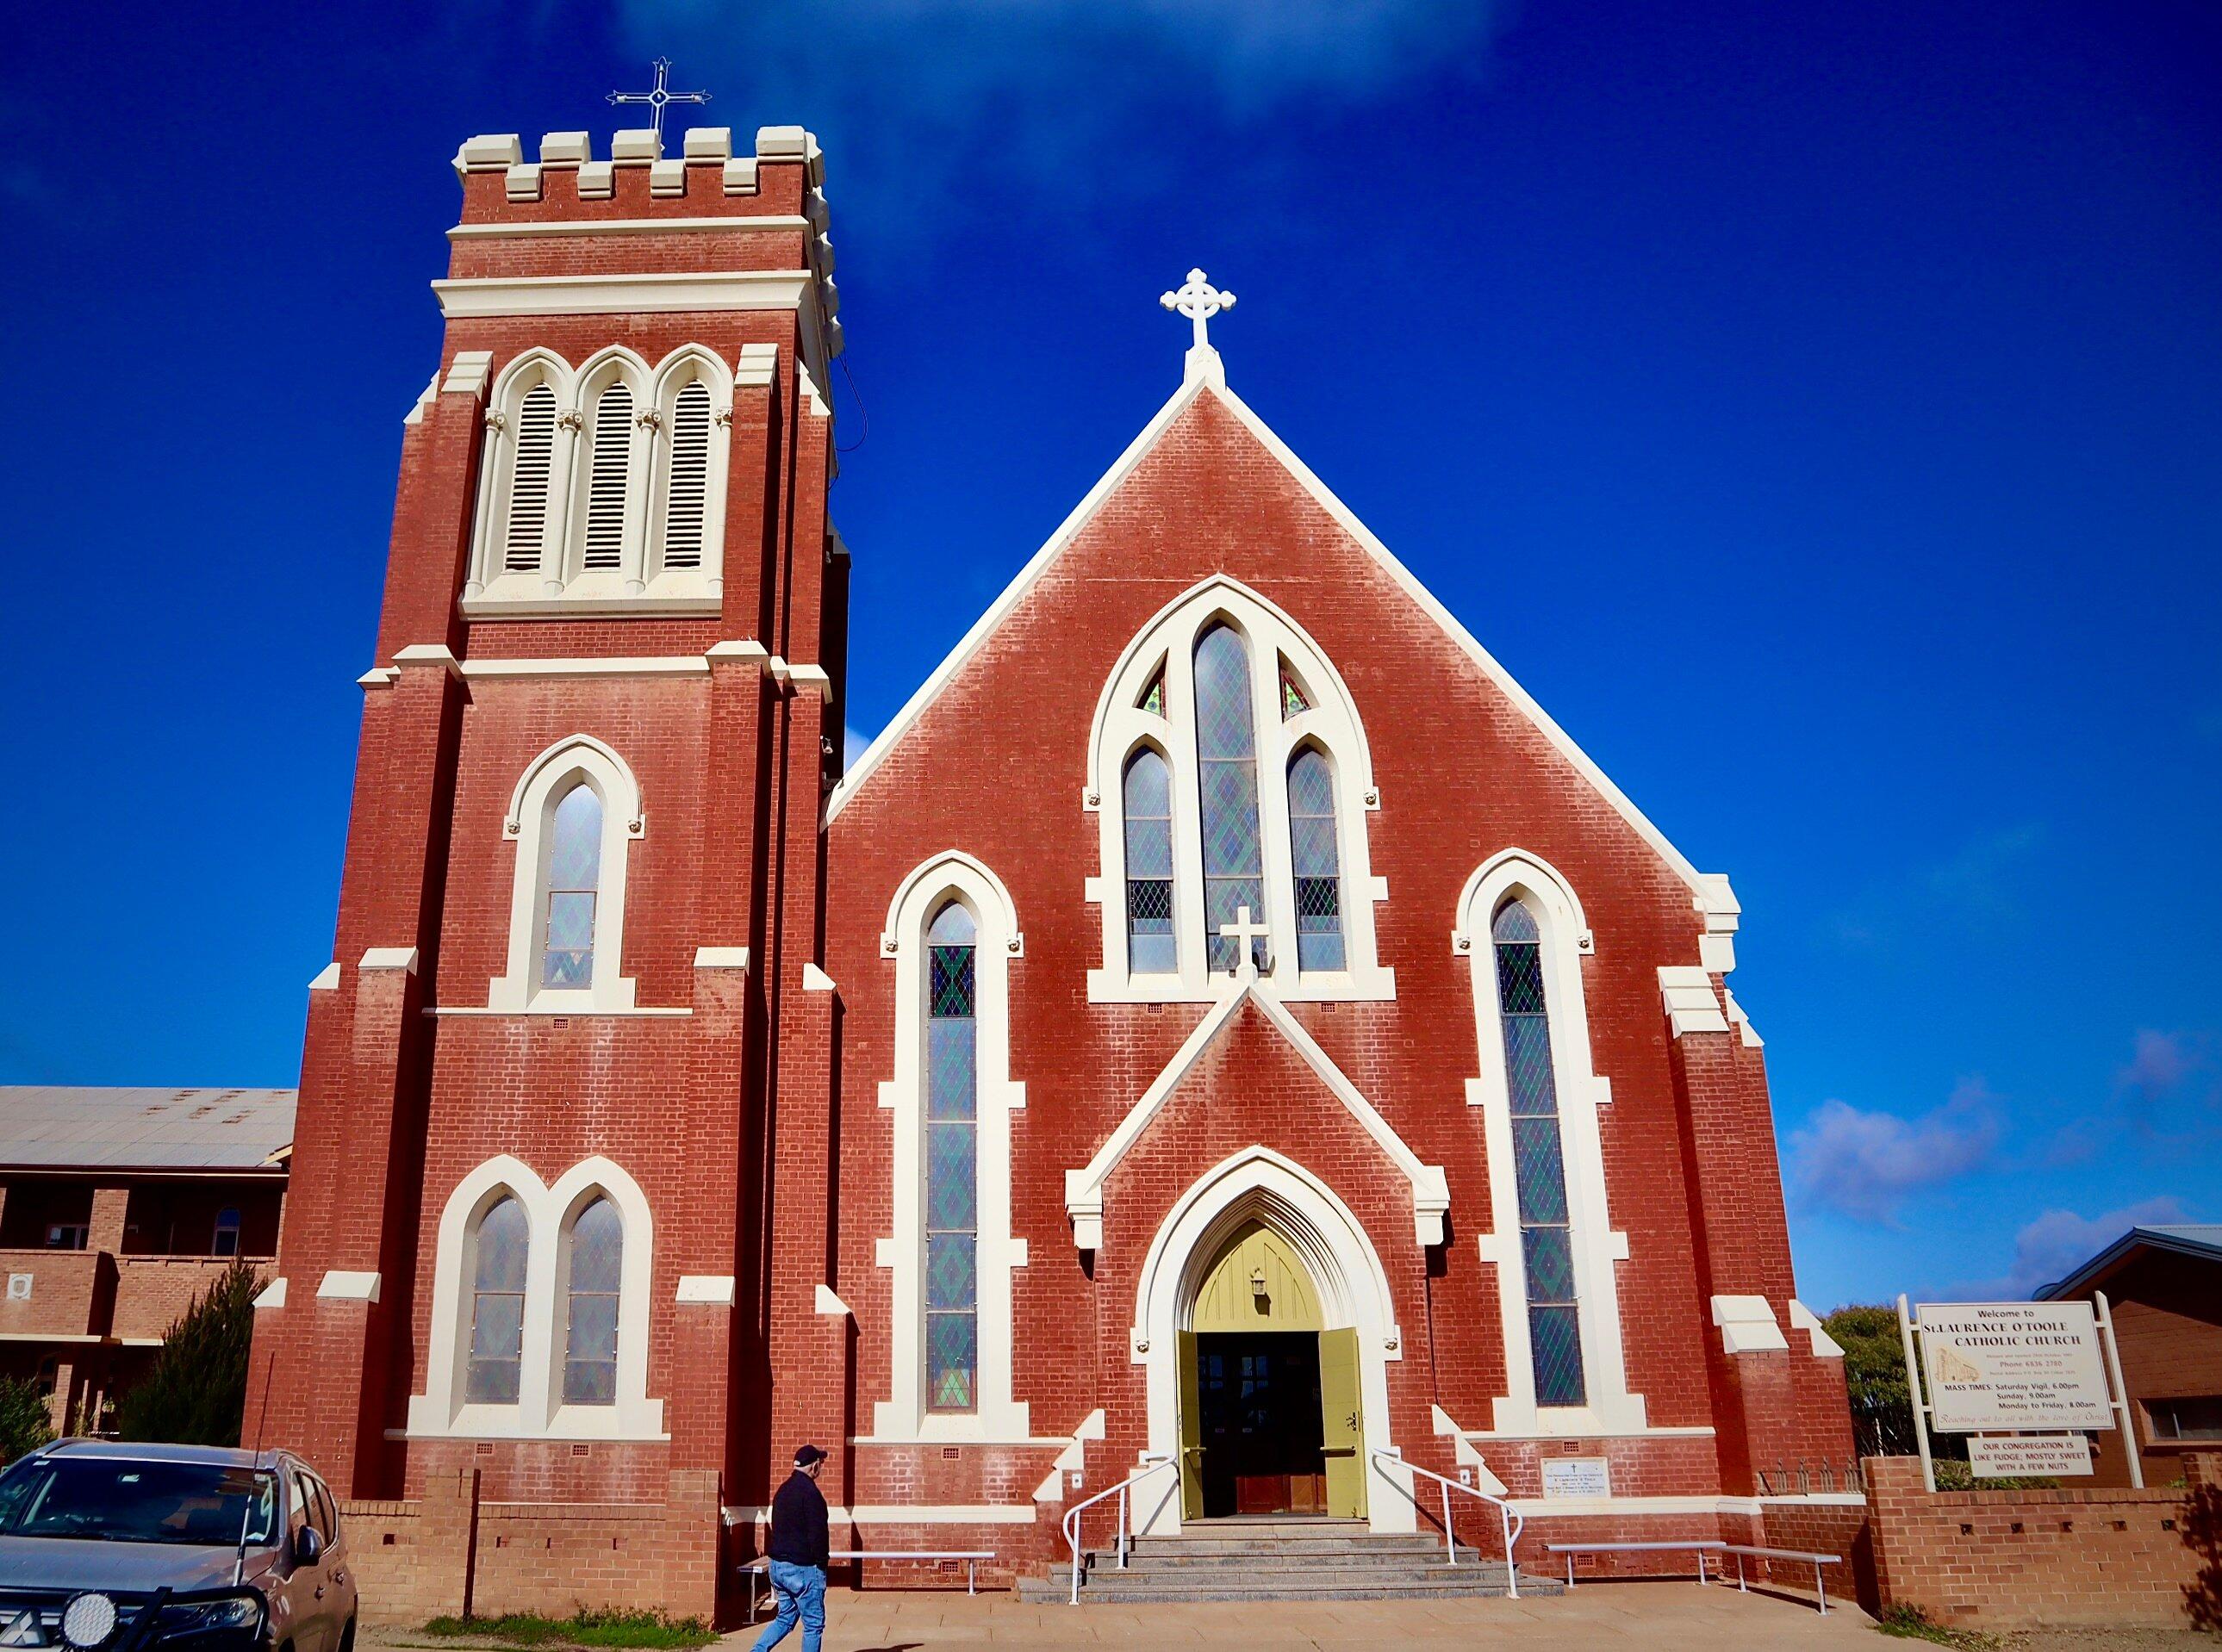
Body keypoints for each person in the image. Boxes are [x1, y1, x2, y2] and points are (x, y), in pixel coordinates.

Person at [752, 1444, 831, 1652]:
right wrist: (822, 1566)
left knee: (785, 1618)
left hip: (777, 1566)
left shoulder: (782, 1491)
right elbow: (819, 1535)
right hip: (803, 1569)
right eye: (821, 1463)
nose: (821, 1467)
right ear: (814, 1466)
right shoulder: (812, 1495)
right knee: (813, 1625)